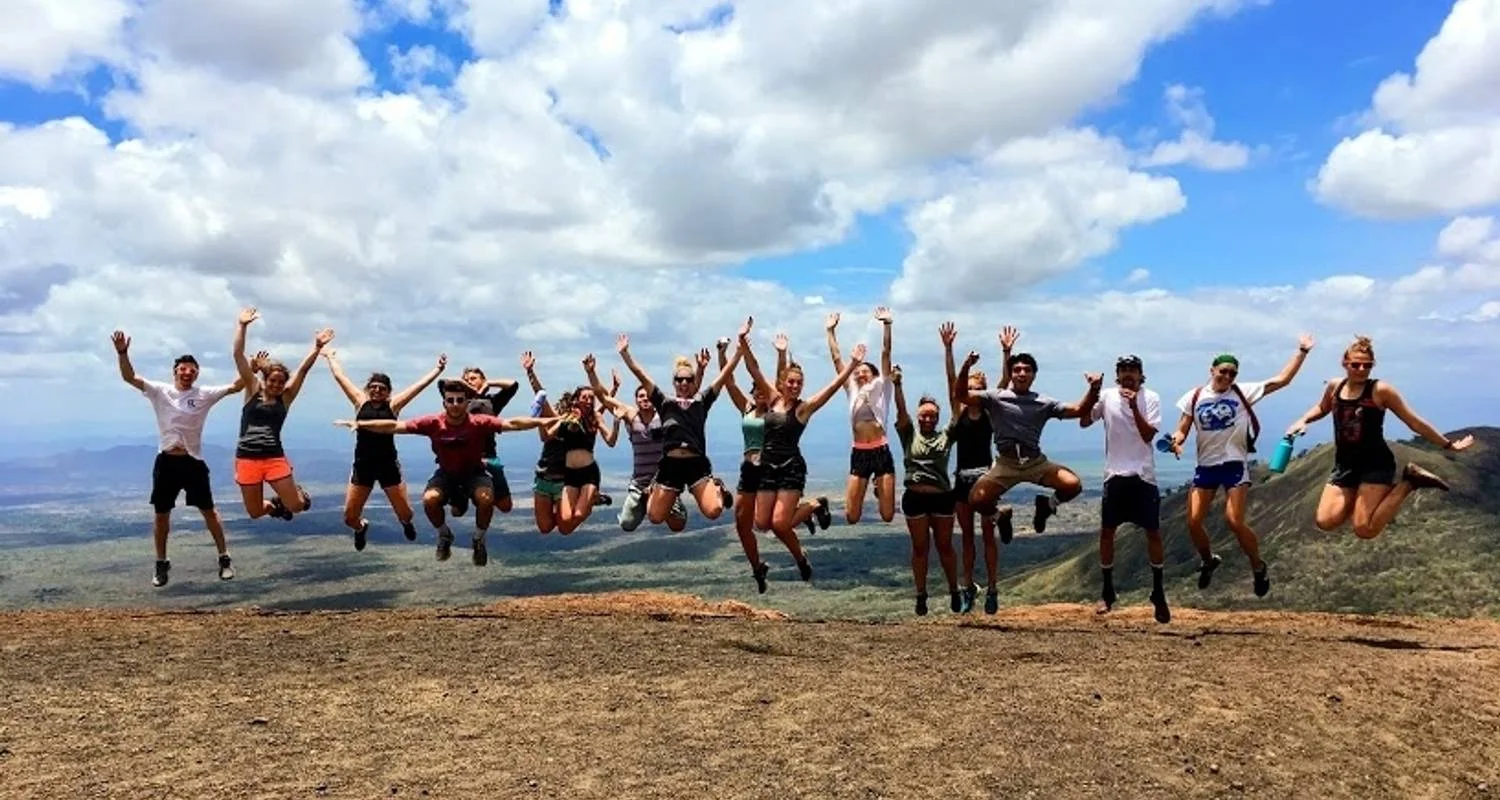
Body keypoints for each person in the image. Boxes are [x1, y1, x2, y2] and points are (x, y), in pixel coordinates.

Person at [335, 379, 554, 565]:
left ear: (467, 402)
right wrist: (361, 424)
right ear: (444, 403)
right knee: (430, 500)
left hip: (474, 473)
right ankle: (444, 535)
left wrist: (543, 420)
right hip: (446, 474)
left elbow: (513, 423)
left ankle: (479, 539)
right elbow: (394, 426)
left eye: (460, 400)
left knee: (486, 499)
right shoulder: (433, 423)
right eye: (451, 400)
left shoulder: (479, 422)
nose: (455, 404)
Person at [1168, 336, 1315, 597]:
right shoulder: (1194, 396)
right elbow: (1182, 428)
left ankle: (1258, 566)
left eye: (1232, 373)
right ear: (1212, 370)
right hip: (1206, 465)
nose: (1227, 377)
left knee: (1234, 521)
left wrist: (1302, 352)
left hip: (1234, 463)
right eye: (1223, 371)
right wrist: (1176, 442)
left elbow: (1282, 380)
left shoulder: (1242, 392)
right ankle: (1208, 560)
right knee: (1193, 521)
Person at [1286, 336, 1473, 539]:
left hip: (1375, 463)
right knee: (1325, 521)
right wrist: (1303, 420)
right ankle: (1361, 499)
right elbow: (1323, 407)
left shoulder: (1380, 390)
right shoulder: (1335, 386)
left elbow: (1414, 422)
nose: (1361, 369)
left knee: (1364, 529)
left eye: (1367, 365)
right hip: (1345, 464)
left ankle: (1410, 481)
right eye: (1355, 364)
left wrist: (1447, 444)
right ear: (1344, 363)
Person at [959, 349, 1103, 612]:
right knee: (976, 500)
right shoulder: (995, 397)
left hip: (1035, 462)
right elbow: (961, 396)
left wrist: (1094, 389)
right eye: (1017, 369)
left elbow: (1079, 410)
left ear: (1034, 375)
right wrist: (965, 366)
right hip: (1006, 464)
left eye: (1027, 370)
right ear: (1011, 373)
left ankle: (1047, 505)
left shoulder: (1043, 402)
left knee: (1073, 485)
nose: (1022, 373)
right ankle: (1000, 516)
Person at [112, 330, 246, 587]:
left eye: (192, 370)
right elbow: (129, 377)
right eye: (183, 369)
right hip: (166, 461)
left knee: (209, 511)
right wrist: (122, 353)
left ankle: (224, 558)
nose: (187, 373)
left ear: (197, 374)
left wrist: (252, 369)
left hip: (193, 461)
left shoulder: (204, 394)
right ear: (175, 372)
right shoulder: (160, 391)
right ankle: (161, 563)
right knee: (161, 514)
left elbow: (236, 386)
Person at [741, 329, 866, 585]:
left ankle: (801, 555)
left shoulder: (803, 409)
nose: (795, 386)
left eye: (799, 383)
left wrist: (852, 364)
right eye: (791, 382)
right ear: (782, 382)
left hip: (790, 468)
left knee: (779, 523)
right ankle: (813, 507)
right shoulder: (772, 399)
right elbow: (753, 369)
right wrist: (743, 341)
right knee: (761, 523)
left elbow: (832, 388)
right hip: (767, 468)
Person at [715, 336, 833, 593]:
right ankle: (758, 568)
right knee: (752, 524)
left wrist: (781, 354)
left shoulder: (776, 406)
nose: (759, 393)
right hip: (752, 469)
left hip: (775, 466)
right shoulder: (747, 408)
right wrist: (725, 353)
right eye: (755, 390)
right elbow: (729, 381)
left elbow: (777, 380)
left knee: (779, 523)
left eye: (762, 389)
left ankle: (807, 520)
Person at [613, 321, 747, 526]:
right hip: (670, 464)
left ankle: (717, 488)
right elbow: (641, 375)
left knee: (714, 511)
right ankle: (658, 492)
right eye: (680, 380)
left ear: (693, 382)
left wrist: (738, 351)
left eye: (688, 380)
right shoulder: (664, 402)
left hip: (696, 463)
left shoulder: (702, 401)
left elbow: (724, 376)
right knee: (655, 517)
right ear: (674, 382)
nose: (684, 383)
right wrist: (625, 354)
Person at [322, 348, 446, 550]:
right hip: (363, 465)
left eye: (382, 388)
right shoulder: (360, 402)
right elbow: (340, 377)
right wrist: (330, 357)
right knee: (349, 518)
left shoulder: (393, 406)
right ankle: (361, 528)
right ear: (367, 389)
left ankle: (406, 523)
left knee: (405, 513)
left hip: (388, 465)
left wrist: (437, 370)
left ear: (388, 391)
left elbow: (417, 387)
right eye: (373, 387)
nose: (377, 391)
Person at [1079, 355, 1171, 623]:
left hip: (1143, 475)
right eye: (1123, 370)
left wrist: (1133, 407)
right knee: (1107, 533)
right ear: (1117, 375)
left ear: (1141, 375)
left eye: (1133, 370)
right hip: (1114, 474)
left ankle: (1158, 592)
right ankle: (1107, 592)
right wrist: (1093, 391)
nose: (1128, 374)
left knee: (1153, 533)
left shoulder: (1151, 398)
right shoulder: (1107, 396)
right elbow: (1084, 421)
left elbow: (1148, 434)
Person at [943, 322, 1017, 613]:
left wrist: (1007, 352)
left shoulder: (988, 411)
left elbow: (1005, 382)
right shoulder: (958, 410)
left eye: (979, 389)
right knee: (967, 538)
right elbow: (952, 380)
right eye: (971, 389)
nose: (974, 393)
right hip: (962, 480)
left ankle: (993, 589)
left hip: (985, 478)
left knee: (988, 537)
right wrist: (949, 349)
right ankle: (968, 588)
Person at [231, 307, 327, 523]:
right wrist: (242, 326)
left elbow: (302, 371)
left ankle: (296, 492)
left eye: (281, 382)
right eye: (272, 380)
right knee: (255, 512)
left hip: (273, 457)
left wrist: (317, 348)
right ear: (265, 379)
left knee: (297, 506)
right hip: (246, 458)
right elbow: (238, 355)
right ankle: (275, 507)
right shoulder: (252, 390)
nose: (276, 385)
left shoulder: (286, 398)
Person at [892, 362, 961, 617]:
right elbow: (900, 411)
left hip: (942, 498)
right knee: (920, 548)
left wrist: (951, 360)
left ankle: (954, 590)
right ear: (918, 416)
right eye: (924, 415)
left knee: (945, 547)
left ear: (938, 418)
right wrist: (898, 384)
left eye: (932, 415)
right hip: (915, 499)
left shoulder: (947, 436)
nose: (928, 419)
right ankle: (921, 594)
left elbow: (957, 403)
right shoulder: (909, 434)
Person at [825, 308, 898, 524]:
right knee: (852, 516)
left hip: (881, 450)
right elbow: (837, 360)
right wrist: (830, 331)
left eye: (864, 371)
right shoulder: (852, 390)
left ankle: (878, 486)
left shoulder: (882, 386)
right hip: (859, 452)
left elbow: (886, 353)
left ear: (875, 374)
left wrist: (887, 325)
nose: (859, 374)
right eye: (857, 372)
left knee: (887, 515)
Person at [550, 371, 621, 534]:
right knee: (565, 521)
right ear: (576, 400)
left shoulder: (595, 417)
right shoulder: (567, 417)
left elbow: (611, 441)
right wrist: (564, 419)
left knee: (579, 514)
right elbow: (548, 435)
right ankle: (593, 498)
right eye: (585, 398)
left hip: (589, 473)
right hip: (570, 473)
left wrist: (616, 422)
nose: (588, 401)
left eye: (591, 398)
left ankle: (592, 499)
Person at [447, 366, 522, 519]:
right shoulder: (457, 402)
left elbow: (513, 385)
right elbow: (444, 383)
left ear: (482, 380)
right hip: (462, 460)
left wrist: (489, 383)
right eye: (466, 380)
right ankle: (468, 492)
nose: (469, 382)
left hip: (488, 456)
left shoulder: (491, 402)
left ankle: (477, 491)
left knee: (505, 506)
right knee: (456, 511)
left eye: (473, 379)